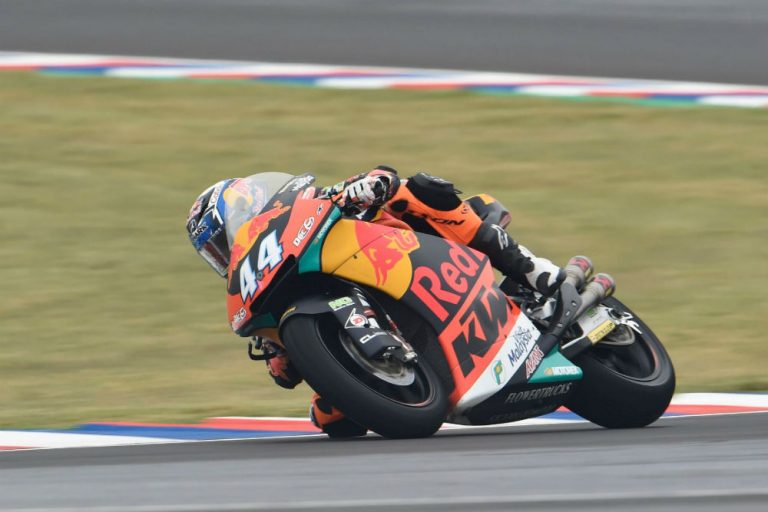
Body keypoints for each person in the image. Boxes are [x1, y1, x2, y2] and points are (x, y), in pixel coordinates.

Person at [186, 166, 565, 436]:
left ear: (244, 210)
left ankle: (532, 269)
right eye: (215, 254)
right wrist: (280, 354)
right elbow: (286, 375)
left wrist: (362, 188)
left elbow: (381, 177)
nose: (224, 255)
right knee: (329, 419)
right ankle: (407, 378)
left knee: (416, 189)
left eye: (221, 241)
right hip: (379, 330)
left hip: (411, 252)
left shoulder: (303, 206)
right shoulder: (260, 286)